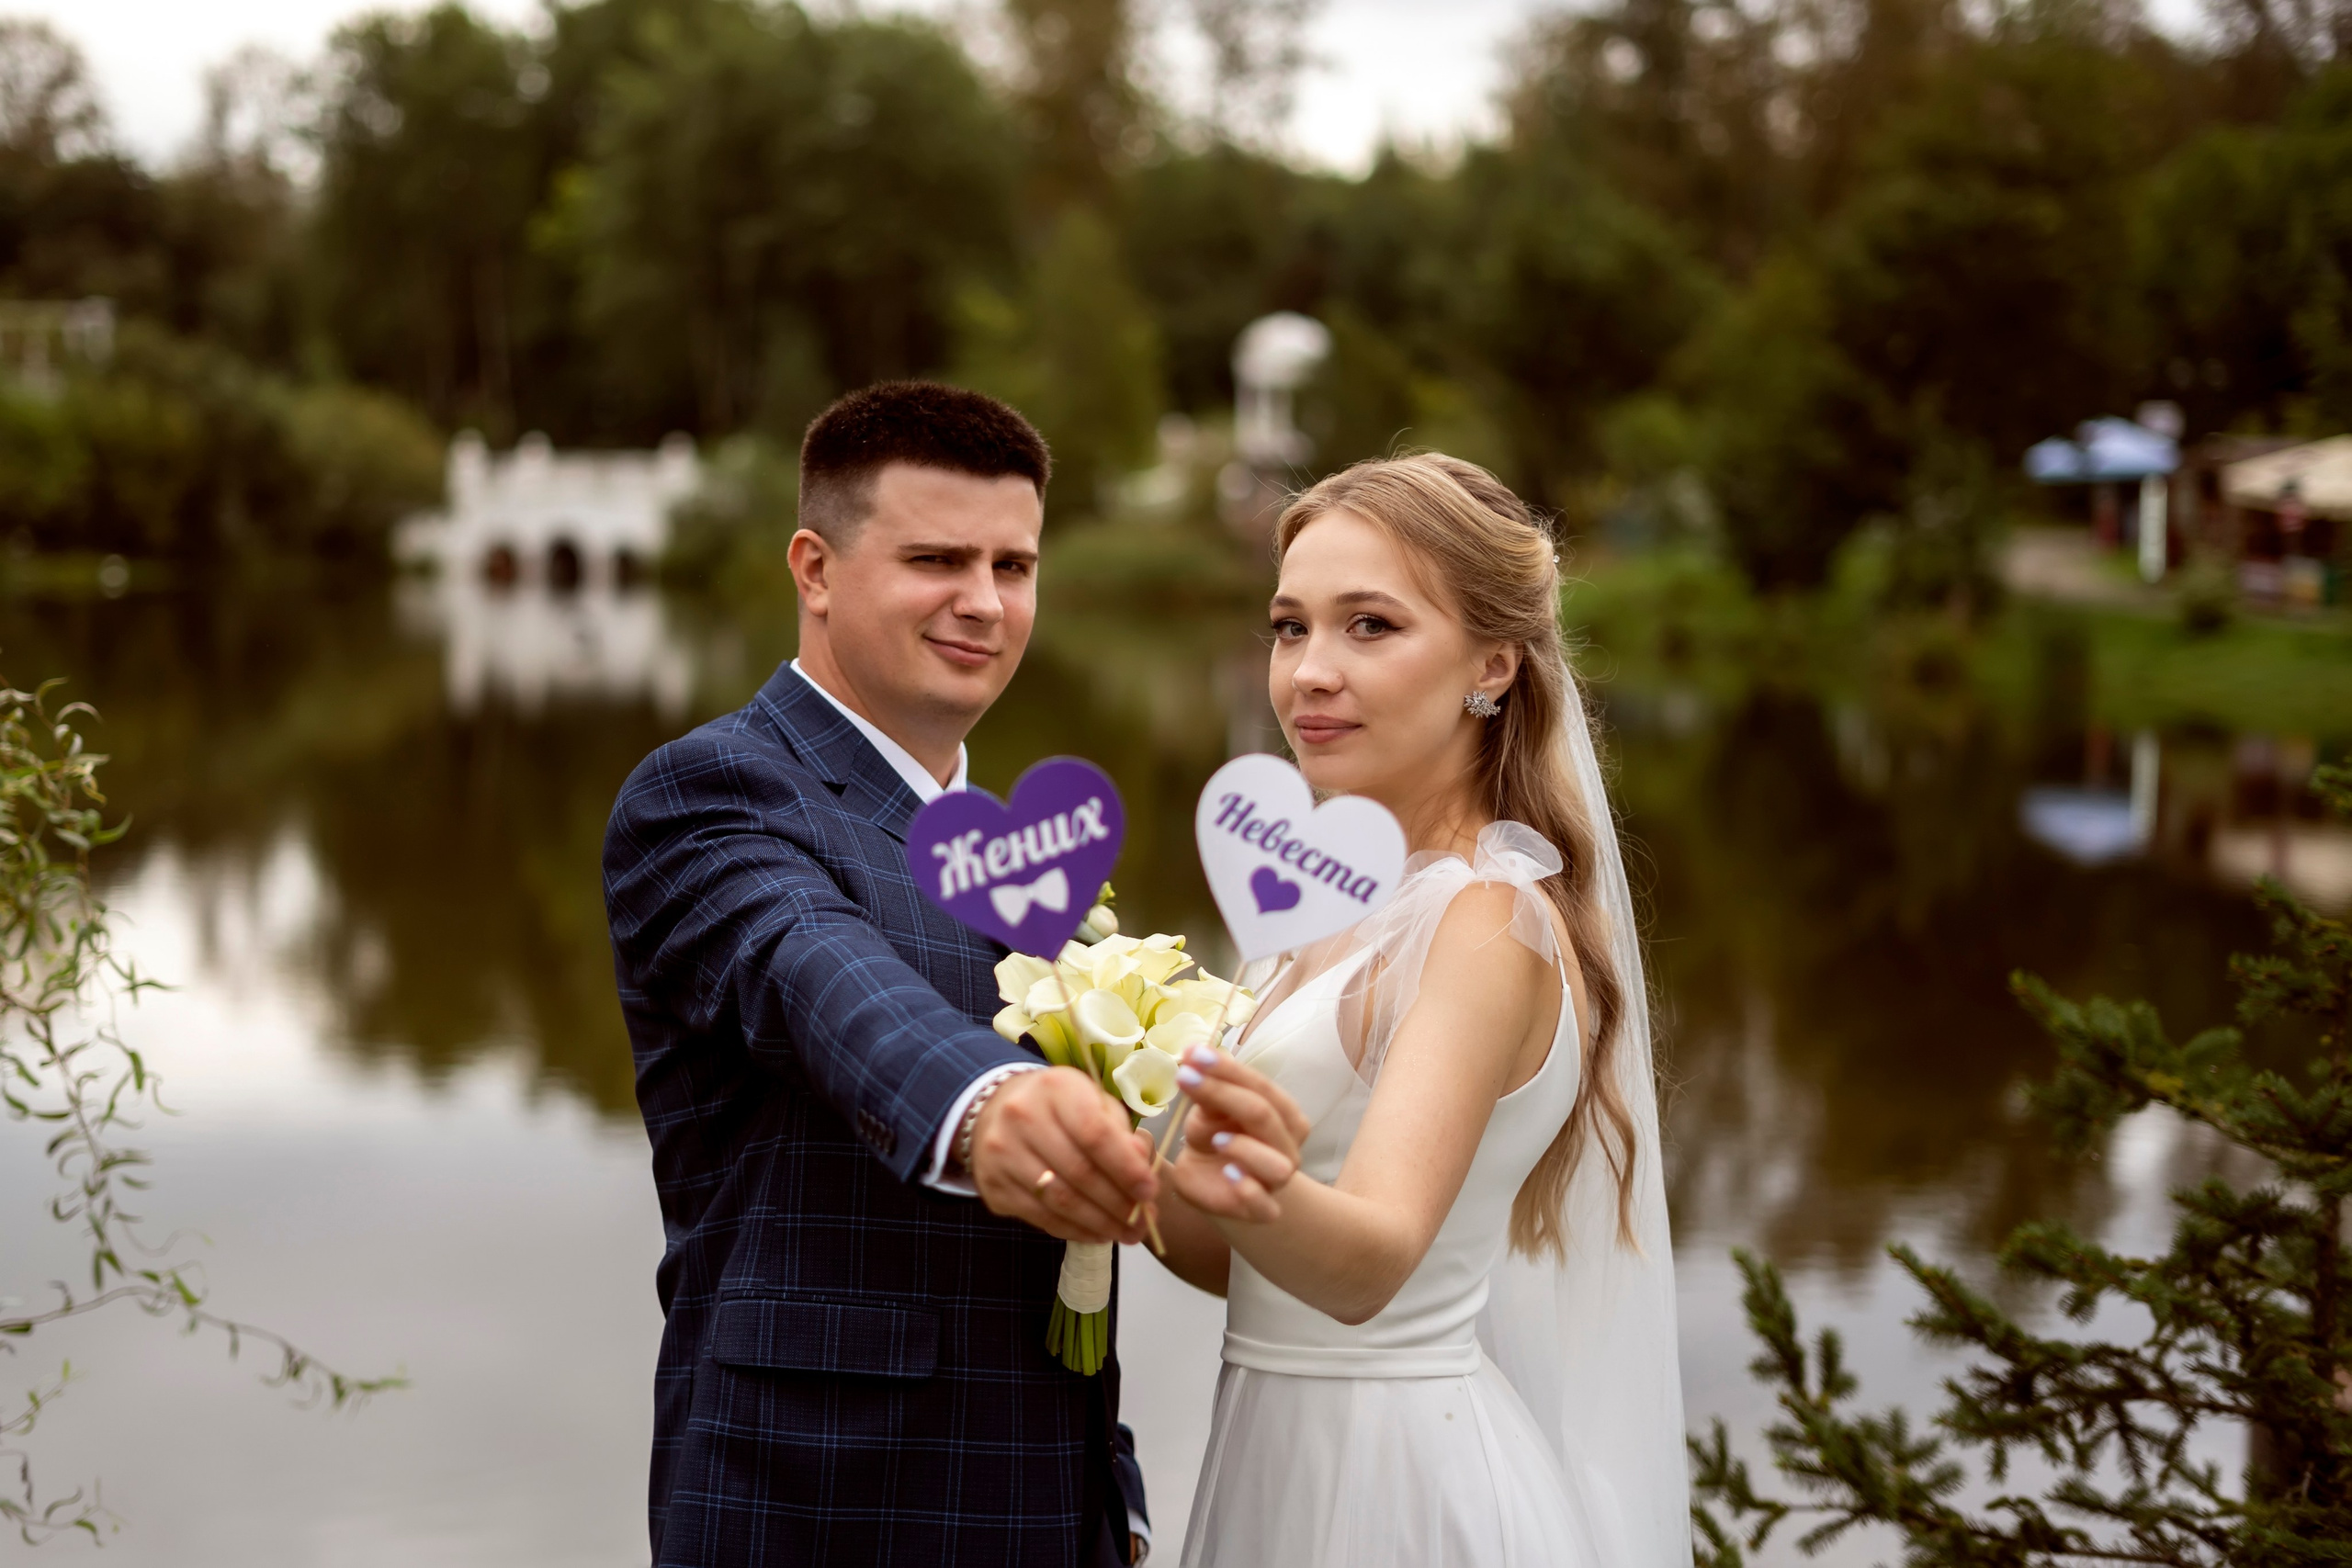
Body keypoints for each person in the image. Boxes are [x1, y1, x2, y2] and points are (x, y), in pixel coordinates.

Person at [605, 382, 1258, 1566]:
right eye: (937, 559)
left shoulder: (1018, 858)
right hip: (821, 1508)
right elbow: (815, 970)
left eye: (1015, 566)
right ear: (813, 567)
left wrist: (1111, 1504)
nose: (984, 602)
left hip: (1049, 1513)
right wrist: (989, 1105)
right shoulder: (713, 794)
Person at [1146, 453, 1692, 1566]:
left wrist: (1251, 1180)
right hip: (1271, 1445)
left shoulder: (1485, 919)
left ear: (1491, 664)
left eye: (1370, 627)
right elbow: (1232, 1261)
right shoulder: (1327, 908)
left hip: (1393, 1481)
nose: (1309, 672)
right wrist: (1121, 1152)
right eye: (1289, 627)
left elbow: (1371, 1263)